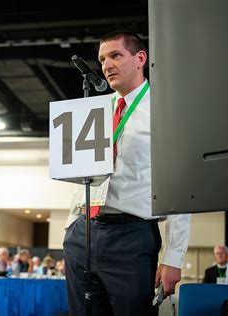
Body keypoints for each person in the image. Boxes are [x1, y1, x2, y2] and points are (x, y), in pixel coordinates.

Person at [63, 30, 191, 316]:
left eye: (115, 55)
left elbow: (181, 187)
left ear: (140, 58)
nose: (106, 65)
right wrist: (71, 226)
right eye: (102, 59)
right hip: (83, 233)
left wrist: (173, 256)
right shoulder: (94, 110)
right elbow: (81, 175)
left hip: (132, 236)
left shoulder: (165, 111)